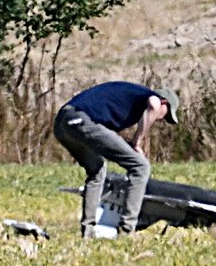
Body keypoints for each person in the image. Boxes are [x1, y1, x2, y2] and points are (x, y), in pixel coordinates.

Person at [53, 82, 179, 237]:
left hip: (62, 122)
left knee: (97, 169)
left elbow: (107, 137)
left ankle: (88, 231)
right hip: (81, 119)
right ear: (164, 101)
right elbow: (154, 104)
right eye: (166, 115)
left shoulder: (129, 99)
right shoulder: (153, 98)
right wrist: (137, 141)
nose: (161, 120)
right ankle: (127, 230)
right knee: (141, 167)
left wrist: (130, 144)